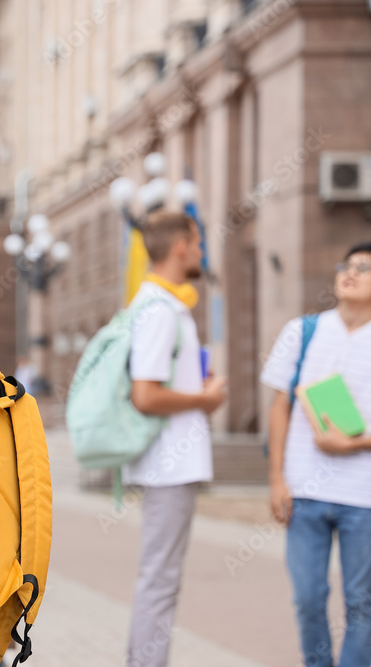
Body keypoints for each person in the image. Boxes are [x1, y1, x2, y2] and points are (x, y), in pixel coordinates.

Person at [123, 210, 227, 667]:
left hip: (170, 462)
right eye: (199, 244)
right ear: (181, 246)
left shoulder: (163, 305)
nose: (202, 252)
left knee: (161, 578)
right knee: (160, 580)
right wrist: (203, 400)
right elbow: (145, 395)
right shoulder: (159, 309)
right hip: (169, 463)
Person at [262, 241, 371, 667]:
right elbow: (279, 405)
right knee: (308, 598)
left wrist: (355, 442)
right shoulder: (302, 331)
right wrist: (275, 478)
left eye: (364, 268)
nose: (351, 273)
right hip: (304, 491)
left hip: (364, 498)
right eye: (348, 265)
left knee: (361, 603)